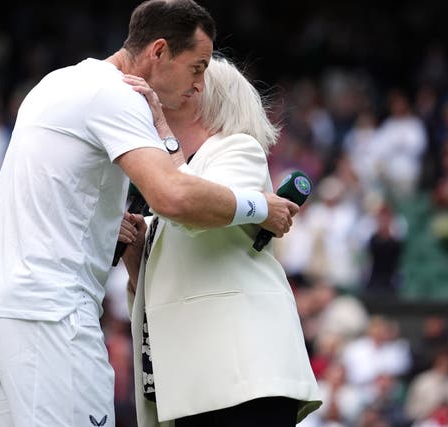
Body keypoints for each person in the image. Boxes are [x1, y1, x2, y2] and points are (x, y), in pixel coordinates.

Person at [0, 1, 299, 426]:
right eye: (196, 67)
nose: (198, 83)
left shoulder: (58, 82)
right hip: (52, 316)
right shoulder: (120, 96)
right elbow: (172, 196)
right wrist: (261, 206)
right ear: (158, 52)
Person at [120, 56, 321, 427]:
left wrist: (161, 126)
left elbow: (191, 208)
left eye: (192, 79)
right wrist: (136, 256)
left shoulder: (237, 148)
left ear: (205, 97)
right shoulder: (174, 177)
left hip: (242, 377)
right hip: (194, 381)